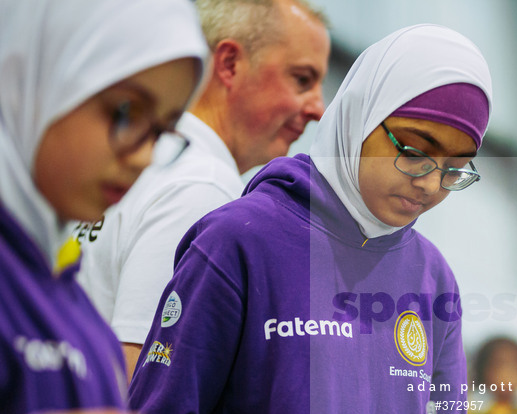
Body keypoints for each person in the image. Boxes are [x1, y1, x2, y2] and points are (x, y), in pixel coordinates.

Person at [0, 1, 381, 414]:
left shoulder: (60, 287)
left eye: (162, 131)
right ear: (42, 81)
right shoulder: (203, 195)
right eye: (124, 113)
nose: (143, 154)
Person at [128, 24, 492, 414]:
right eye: (414, 148)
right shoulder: (239, 242)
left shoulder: (432, 277)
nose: (429, 184)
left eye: (456, 169)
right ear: (359, 115)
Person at [74, 0, 330, 379]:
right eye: (302, 79)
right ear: (229, 64)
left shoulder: (139, 160)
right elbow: (137, 383)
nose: (318, 108)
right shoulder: (202, 187)